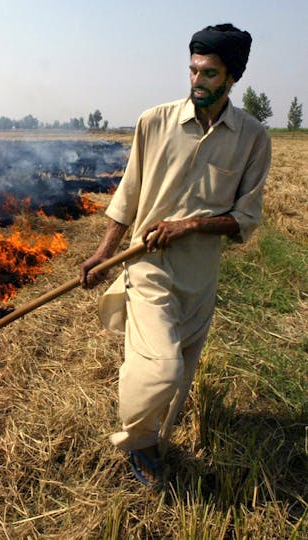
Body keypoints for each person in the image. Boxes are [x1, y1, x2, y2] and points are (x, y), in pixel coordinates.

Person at [79, 23, 271, 487]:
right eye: (193, 71)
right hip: (147, 267)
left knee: (180, 373)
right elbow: (129, 194)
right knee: (160, 369)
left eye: (209, 73)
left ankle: (153, 441)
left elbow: (244, 219)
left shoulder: (252, 137)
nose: (198, 81)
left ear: (232, 77)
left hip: (200, 276)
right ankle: (138, 443)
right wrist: (104, 252)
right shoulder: (154, 122)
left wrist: (190, 225)